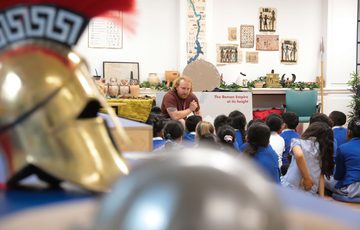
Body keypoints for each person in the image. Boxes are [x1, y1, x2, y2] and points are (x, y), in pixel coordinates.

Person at [281, 122, 334, 196]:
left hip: (291, 187)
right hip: (310, 190)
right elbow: (321, 175)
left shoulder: (297, 141)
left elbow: (299, 155)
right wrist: (322, 198)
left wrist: (307, 179)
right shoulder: (323, 149)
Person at [325, 117, 360, 198]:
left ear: (349, 132)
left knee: (324, 178)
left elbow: (338, 176)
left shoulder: (343, 148)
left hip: (352, 189)